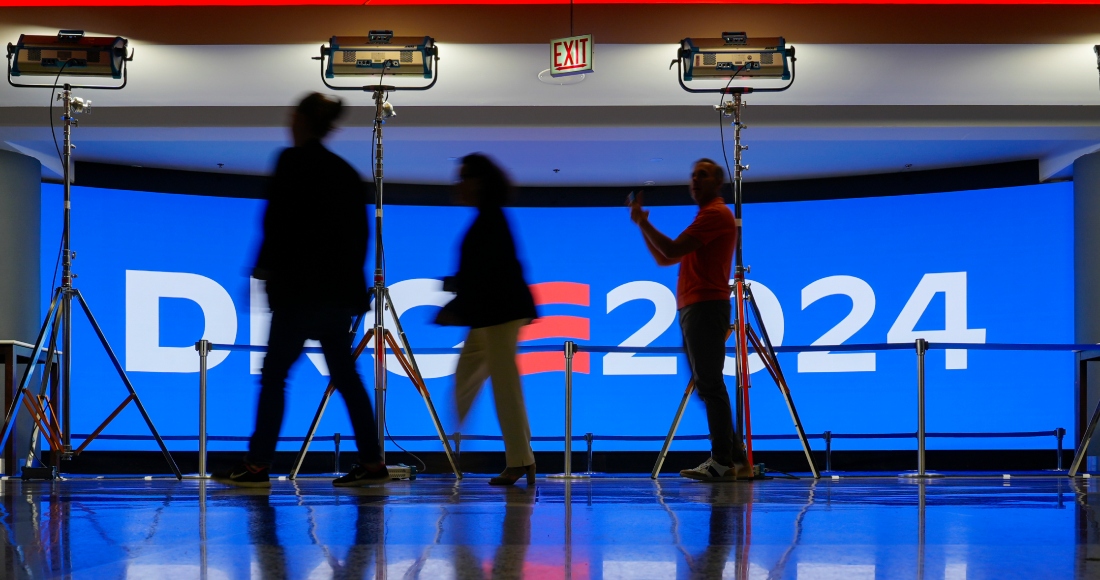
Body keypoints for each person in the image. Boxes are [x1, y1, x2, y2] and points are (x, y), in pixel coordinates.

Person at [213, 92, 387, 488]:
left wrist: (261, 271)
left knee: (275, 377)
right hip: (337, 297)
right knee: (346, 378)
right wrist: (353, 294)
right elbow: (359, 236)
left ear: (301, 121)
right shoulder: (345, 172)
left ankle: (257, 464)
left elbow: (277, 223)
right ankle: (374, 463)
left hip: (298, 293)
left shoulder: (291, 162)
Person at [629, 158, 752, 482]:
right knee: (708, 384)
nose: (695, 180)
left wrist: (643, 222)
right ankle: (735, 459)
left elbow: (669, 250)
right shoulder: (706, 217)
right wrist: (642, 225)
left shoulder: (715, 215)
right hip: (696, 307)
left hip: (705, 306)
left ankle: (723, 461)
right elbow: (664, 257)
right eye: (693, 175)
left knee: (710, 384)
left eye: (702, 175)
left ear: (717, 182)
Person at [436, 153, 538, 486]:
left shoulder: (489, 220)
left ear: (479, 183)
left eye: (464, 177)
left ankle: (519, 460)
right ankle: (464, 443)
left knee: (503, 385)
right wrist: (459, 293)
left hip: (498, 314)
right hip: (494, 314)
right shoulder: (489, 219)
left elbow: (489, 276)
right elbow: (486, 274)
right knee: (476, 378)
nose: (459, 184)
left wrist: (457, 302)